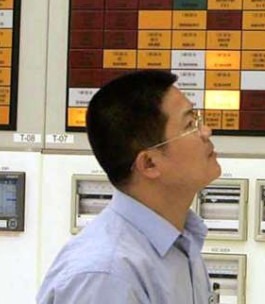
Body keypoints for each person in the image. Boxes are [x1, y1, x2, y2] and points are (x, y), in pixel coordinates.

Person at [38, 70, 222, 303]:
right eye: (189, 125)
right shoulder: (106, 277)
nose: (206, 132)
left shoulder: (179, 244)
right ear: (149, 163)